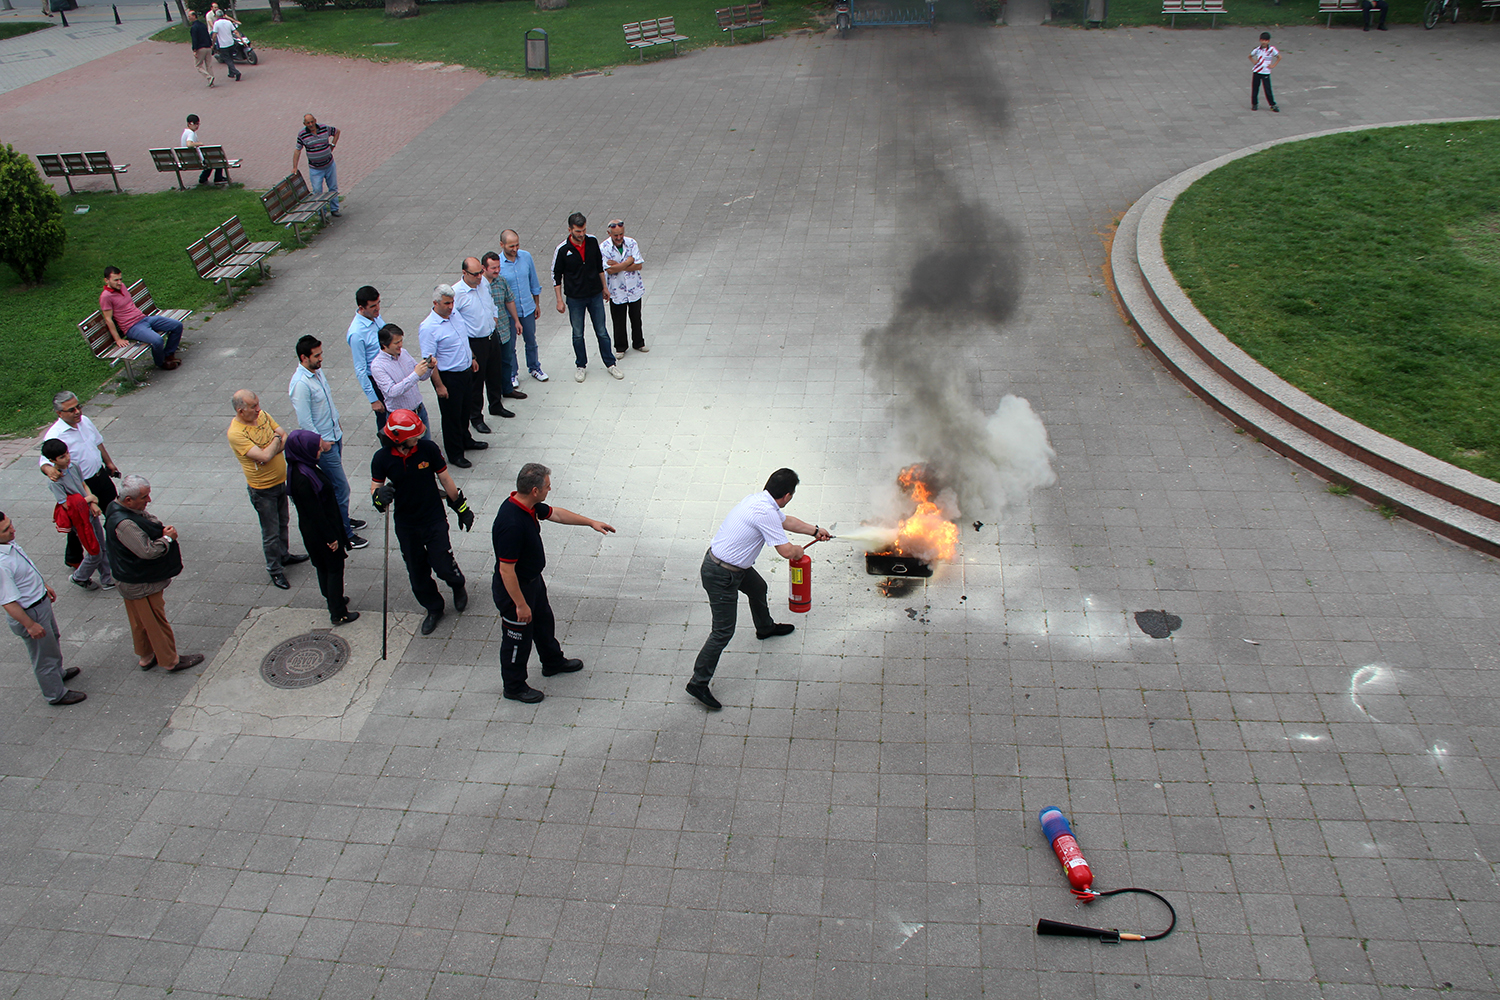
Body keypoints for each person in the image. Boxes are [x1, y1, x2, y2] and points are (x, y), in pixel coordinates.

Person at [687, 468, 831, 711]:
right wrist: (799, 550)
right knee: (722, 631)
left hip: (734, 568)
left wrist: (816, 531)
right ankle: (698, 683)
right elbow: (786, 552)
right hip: (721, 575)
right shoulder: (765, 512)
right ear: (787, 495)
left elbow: (789, 522)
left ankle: (765, 628)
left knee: (759, 588)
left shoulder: (759, 501)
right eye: (792, 494)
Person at [491, 463, 615, 704]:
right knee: (517, 639)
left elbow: (556, 513)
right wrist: (521, 605)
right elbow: (506, 571)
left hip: (533, 582)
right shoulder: (512, 523)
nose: (551, 489)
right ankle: (514, 686)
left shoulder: (528, 505)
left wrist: (591, 522)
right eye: (548, 486)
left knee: (544, 623)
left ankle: (552, 661)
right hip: (516, 590)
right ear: (535, 490)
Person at [370, 409, 475, 636]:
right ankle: (434, 608)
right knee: (417, 574)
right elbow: (375, 488)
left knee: (443, 565)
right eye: (414, 436)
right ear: (398, 439)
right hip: (406, 524)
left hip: (433, 518)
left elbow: (445, 478)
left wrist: (462, 508)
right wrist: (379, 498)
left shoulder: (428, 449)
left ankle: (457, 584)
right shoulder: (382, 459)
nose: (418, 438)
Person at [103, 476, 205, 674]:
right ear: (128, 500)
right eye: (144, 497)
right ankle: (170, 660)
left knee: (139, 621)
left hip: (126, 578)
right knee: (155, 622)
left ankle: (146, 656)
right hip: (140, 581)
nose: (148, 500)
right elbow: (147, 551)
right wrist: (168, 538)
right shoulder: (125, 524)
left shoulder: (116, 508)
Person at [289, 336, 369, 550]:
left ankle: (343, 518)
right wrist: (321, 443)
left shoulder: (317, 372)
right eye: (317, 355)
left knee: (336, 486)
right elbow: (305, 421)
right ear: (304, 358)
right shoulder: (300, 384)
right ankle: (344, 531)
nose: (321, 358)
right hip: (324, 444)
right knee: (341, 487)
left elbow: (327, 403)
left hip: (334, 435)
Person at [228, 390, 310, 590]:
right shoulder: (236, 433)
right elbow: (264, 456)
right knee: (271, 531)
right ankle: (274, 569)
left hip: (279, 481)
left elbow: (285, 437)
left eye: (257, 404)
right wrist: (274, 441)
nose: (258, 409)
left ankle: (284, 555)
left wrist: (271, 448)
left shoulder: (262, 416)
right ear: (241, 410)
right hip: (262, 489)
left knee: (283, 521)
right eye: (253, 407)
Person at [0, 513, 85, 706]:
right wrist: (30, 625)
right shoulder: (1, 565)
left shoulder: (8, 545)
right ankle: (55, 694)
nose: (13, 530)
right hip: (30, 613)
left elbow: (24, 570)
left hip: (39, 603)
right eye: (6, 530)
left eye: (10, 524)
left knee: (52, 641)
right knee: (43, 655)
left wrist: (43, 585)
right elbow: (8, 602)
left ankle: (58, 674)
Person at [39, 390, 121, 569]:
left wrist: (108, 462)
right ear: (60, 414)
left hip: (100, 476)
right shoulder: (55, 435)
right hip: (83, 486)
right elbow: (45, 462)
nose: (77, 412)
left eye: (78, 407)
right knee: (82, 524)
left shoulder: (85, 421)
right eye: (71, 410)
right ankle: (74, 557)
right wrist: (49, 471)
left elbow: (97, 442)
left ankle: (119, 544)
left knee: (114, 510)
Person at [285, 430, 358, 626]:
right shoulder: (304, 480)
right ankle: (338, 612)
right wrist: (331, 538)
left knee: (323, 567)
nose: (320, 450)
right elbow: (316, 512)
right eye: (316, 447)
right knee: (333, 568)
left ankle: (332, 599)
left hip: (313, 530)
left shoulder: (300, 469)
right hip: (322, 531)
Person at [417, 285, 484, 469]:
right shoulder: (429, 327)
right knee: (451, 417)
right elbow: (430, 361)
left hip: (465, 372)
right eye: (447, 303)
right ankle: (455, 453)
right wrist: (439, 386)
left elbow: (462, 339)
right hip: (449, 377)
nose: (450, 306)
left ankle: (466, 440)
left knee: (464, 411)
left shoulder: (455, 315)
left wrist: (471, 357)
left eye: (452, 302)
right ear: (435, 303)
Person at [552, 213, 622, 383]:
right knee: (577, 333)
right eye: (578, 231)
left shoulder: (591, 242)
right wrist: (559, 300)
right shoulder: (562, 249)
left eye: (583, 230)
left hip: (595, 294)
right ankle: (581, 365)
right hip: (575, 298)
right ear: (570, 230)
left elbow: (599, 266)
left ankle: (610, 363)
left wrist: (604, 287)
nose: (581, 234)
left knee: (602, 331)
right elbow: (556, 276)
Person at [40, 439, 114, 592]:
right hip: (78, 519)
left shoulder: (74, 466)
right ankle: (79, 576)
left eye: (67, 453)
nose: (67, 458)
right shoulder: (55, 482)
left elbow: (83, 485)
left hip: (89, 511)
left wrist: (92, 503)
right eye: (61, 457)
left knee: (101, 544)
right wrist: (90, 499)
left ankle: (107, 579)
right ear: (52, 461)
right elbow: (67, 504)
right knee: (95, 551)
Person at [100, 267, 184, 371]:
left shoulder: (122, 286)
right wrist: (118, 339)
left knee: (177, 325)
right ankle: (161, 362)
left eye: (120, 279)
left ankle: (168, 355)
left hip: (144, 318)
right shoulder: (106, 297)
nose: (119, 282)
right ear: (106, 280)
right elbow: (108, 319)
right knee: (157, 340)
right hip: (132, 327)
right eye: (115, 280)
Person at [451, 258, 501, 434]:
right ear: (464, 273)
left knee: (495, 374)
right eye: (475, 274)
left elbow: (491, 303)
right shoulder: (456, 293)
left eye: (481, 272)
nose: (480, 276)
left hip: (490, 336)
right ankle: (476, 418)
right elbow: (455, 323)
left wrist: (494, 317)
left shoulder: (483, 284)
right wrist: (470, 354)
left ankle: (496, 405)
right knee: (477, 382)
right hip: (475, 341)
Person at [480, 251, 525, 421]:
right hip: (488, 335)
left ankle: (507, 388)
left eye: (498, 267)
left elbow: (509, 300)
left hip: (504, 329)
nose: (497, 270)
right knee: (491, 369)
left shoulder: (501, 281)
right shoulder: (480, 286)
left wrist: (516, 321)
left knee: (507, 360)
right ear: (484, 268)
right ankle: (494, 397)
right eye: (493, 268)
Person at [370, 325, 433, 440]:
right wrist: (416, 374)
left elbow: (422, 376)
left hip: (419, 411)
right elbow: (392, 391)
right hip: (401, 419)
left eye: (401, 341)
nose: (400, 345)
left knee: (426, 446)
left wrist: (429, 368)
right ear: (384, 345)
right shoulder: (377, 366)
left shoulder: (404, 353)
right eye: (396, 343)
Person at [500, 229, 547, 383]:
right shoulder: (498, 264)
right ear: (502, 245)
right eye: (511, 246)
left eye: (517, 245)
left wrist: (537, 304)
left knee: (531, 341)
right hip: (508, 313)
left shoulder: (526, 257)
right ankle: (512, 373)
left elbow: (533, 281)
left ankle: (534, 367)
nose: (515, 249)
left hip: (527, 307)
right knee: (510, 345)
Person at [601, 220, 649, 356]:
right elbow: (609, 270)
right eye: (615, 235)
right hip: (616, 290)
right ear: (609, 233)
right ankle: (621, 347)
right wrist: (628, 261)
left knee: (636, 317)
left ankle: (639, 342)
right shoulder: (604, 247)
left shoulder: (631, 243)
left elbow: (639, 265)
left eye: (621, 234)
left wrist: (619, 265)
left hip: (634, 287)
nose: (618, 238)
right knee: (618, 319)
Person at [346, 285, 387, 433]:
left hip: (388, 370)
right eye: (373, 306)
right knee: (385, 420)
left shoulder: (375, 317)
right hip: (376, 379)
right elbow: (360, 369)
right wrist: (373, 399)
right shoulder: (357, 334)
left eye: (378, 303)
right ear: (361, 308)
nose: (378, 309)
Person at [293, 114, 340, 216]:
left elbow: (337, 132)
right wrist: (294, 167)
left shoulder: (324, 128)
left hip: (329, 164)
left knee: (333, 187)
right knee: (317, 191)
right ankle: (322, 213)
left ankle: (334, 209)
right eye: (308, 123)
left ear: (315, 120)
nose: (311, 124)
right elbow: (297, 150)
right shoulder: (302, 134)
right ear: (304, 124)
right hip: (315, 169)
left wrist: (332, 145)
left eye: (312, 122)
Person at [181, 114, 226, 186]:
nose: (197, 126)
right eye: (196, 124)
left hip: (188, 159)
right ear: (190, 123)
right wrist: (199, 143)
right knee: (216, 159)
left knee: (209, 161)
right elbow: (189, 144)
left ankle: (203, 178)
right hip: (196, 159)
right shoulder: (190, 133)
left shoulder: (185, 132)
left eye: (198, 124)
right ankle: (218, 178)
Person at [1250, 33, 1280, 113]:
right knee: (1255, 88)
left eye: (1266, 40)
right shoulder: (1257, 50)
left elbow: (1279, 57)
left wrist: (1273, 65)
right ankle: (1254, 103)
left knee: (1267, 89)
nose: (1264, 42)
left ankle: (1272, 104)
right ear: (1260, 40)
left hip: (1266, 72)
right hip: (1257, 71)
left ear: (1268, 41)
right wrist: (1254, 62)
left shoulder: (1272, 49)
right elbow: (1250, 56)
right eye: (1263, 40)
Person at [211, 8, 242, 83]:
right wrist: (241, 40)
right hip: (231, 43)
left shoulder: (216, 23)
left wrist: (212, 43)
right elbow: (235, 31)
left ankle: (236, 72)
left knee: (227, 59)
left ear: (217, 16)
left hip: (223, 45)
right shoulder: (228, 22)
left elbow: (214, 34)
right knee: (230, 57)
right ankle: (231, 73)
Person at [187, 10, 215, 88]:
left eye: (189, 16)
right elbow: (207, 35)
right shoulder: (203, 25)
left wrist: (194, 50)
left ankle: (209, 77)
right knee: (208, 65)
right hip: (208, 47)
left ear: (194, 16)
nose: (188, 17)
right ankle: (211, 81)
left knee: (198, 65)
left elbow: (194, 39)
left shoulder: (194, 27)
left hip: (200, 48)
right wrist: (210, 45)